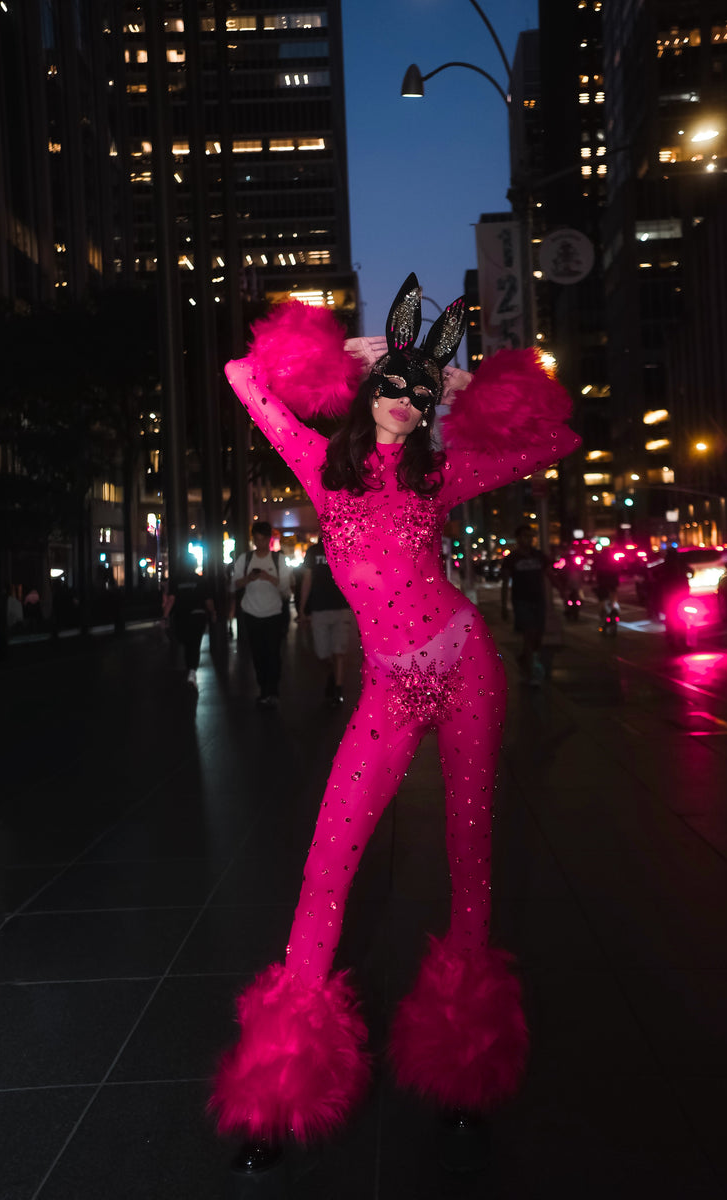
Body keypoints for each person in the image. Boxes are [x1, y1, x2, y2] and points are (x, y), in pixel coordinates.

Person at [211, 274, 580, 1153]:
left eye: (423, 395)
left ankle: (466, 1066)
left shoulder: (439, 476)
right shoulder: (319, 464)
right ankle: (278, 1090)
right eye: (399, 389)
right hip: (387, 686)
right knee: (328, 859)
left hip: (466, 670)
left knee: (469, 855)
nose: (410, 404)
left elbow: (558, 441)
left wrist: (464, 386)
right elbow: (239, 374)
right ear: (370, 392)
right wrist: (348, 356)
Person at [232, 520, 292, 707]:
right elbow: (235, 583)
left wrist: (268, 577)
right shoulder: (245, 559)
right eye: (256, 539)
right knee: (258, 654)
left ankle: (272, 689)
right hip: (251, 612)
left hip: (273, 613)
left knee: (273, 653)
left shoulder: (278, 559)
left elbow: (285, 587)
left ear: (269, 539)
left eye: (263, 539)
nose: (260, 543)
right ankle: (264, 688)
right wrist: (249, 578)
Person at [298, 538, 352, 705]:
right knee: (322, 654)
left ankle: (338, 690)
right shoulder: (313, 551)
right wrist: (302, 608)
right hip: (319, 608)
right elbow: (307, 580)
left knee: (339, 652)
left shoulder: (345, 549)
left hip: (341, 607)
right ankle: (333, 675)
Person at [500, 524, 549, 685]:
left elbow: (549, 574)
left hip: (539, 600)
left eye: (531, 536)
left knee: (538, 637)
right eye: (525, 536)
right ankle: (532, 673)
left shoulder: (538, 556)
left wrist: (562, 590)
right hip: (521, 601)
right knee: (529, 635)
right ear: (519, 538)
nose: (529, 539)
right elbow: (505, 582)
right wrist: (504, 606)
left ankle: (524, 659)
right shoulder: (511, 559)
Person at [162, 553, 216, 689]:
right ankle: (192, 671)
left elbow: (171, 600)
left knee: (186, 642)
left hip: (182, 617)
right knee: (195, 644)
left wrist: (165, 616)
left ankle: (190, 669)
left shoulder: (176, 581)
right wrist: (213, 612)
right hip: (198, 616)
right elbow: (208, 600)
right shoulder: (201, 580)